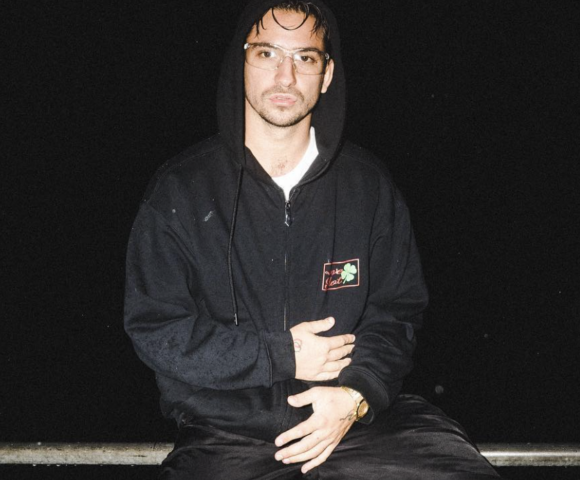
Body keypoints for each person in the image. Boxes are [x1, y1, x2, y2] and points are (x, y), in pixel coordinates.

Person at [124, 0, 501, 478]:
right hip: (228, 434)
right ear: (241, 63)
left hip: (363, 424)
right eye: (267, 54)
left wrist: (356, 394)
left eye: (304, 57)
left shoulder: (368, 187)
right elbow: (156, 328)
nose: (285, 76)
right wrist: (281, 354)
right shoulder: (180, 190)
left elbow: (397, 311)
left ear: (326, 75)